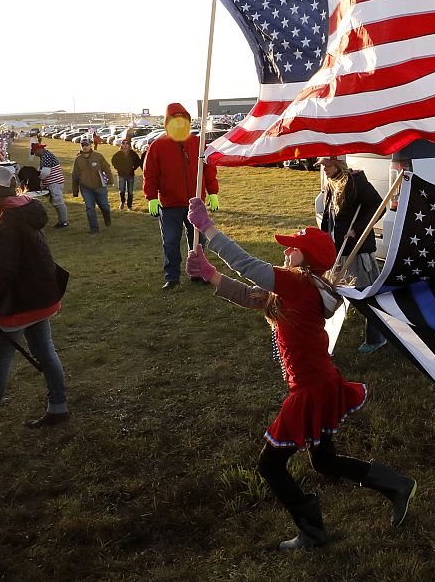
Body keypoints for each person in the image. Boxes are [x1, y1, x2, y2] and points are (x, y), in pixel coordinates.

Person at [184, 197, 416, 551]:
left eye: (295, 247)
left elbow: (246, 265)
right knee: (324, 461)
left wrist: (209, 230)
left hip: (311, 389)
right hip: (321, 382)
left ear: (309, 259)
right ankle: (396, 485)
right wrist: (211, 275)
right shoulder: (295, 288)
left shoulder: (299, 284)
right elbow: (253, 296)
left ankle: (312, 529)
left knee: (270, 466)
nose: (288, 249)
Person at [0, 165, 70, 428]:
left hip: (20, 302)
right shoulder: (25, 209)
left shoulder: (4, 220)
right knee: (45, 350)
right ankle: (59, 407)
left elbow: (5, 271)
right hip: (41, 296)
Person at [142, 102, 220, 290]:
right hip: (170, 205)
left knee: (198, 241)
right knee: (170, 241)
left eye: (182, 120)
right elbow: (150, 174)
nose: (178, 124)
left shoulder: (198, 143)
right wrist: (151, 197)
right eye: (174, 121)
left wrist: (213, 192)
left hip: (195, 203)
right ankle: (172, 276)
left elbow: (208, 169)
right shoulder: (158, 146)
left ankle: (199, 272)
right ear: (167, 123)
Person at [318, 156, 387, 353]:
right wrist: (323, 241)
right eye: (321, 166)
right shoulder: (332, 183)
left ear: (338, 164)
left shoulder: (356, 182)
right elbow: (329, 217)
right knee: (333, 292)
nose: (324, 169)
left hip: (357, 251)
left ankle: (377, 338)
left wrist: (357, 229)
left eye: (327, 165)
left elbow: (377, 206)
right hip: (338, 250)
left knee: (366, 296)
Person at [70, 138, 113, 234]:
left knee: (105, 206)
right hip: (86, 188)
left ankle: (107, 218)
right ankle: (94, 229)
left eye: (86, 144)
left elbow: (107, 168)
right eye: (82, 145)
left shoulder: (98, 156)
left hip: (100, 186)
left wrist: (110, 180)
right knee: (90, 208)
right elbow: (75, 175)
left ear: (91, 145)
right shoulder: (78, 159)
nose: (84, 147)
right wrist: (75, 190)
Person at [32, 140, 69, 228]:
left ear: (39, 150)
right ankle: (62, 221)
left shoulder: (46, 156)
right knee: (56, 202)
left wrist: (38, 179)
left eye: (34, 151)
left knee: (58, 202)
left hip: (54, 182)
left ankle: (64, 222)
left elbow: (46, 172)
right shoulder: (45, 155)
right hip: (53, 182)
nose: (34, 154)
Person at [110, 137, 142, 210]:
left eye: (127, 143)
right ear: (121, 145)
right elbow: (113, 161)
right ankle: (122, 202)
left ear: (129, 145)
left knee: (130, 191)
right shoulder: (118, 154)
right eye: (123, 143)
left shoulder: (133, 153)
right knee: (122, 190)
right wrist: (118, 168)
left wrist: (133, 168)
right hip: (121, 175)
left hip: (130, 175)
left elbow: (138, 162)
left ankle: (129, 206)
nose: (125, 145)